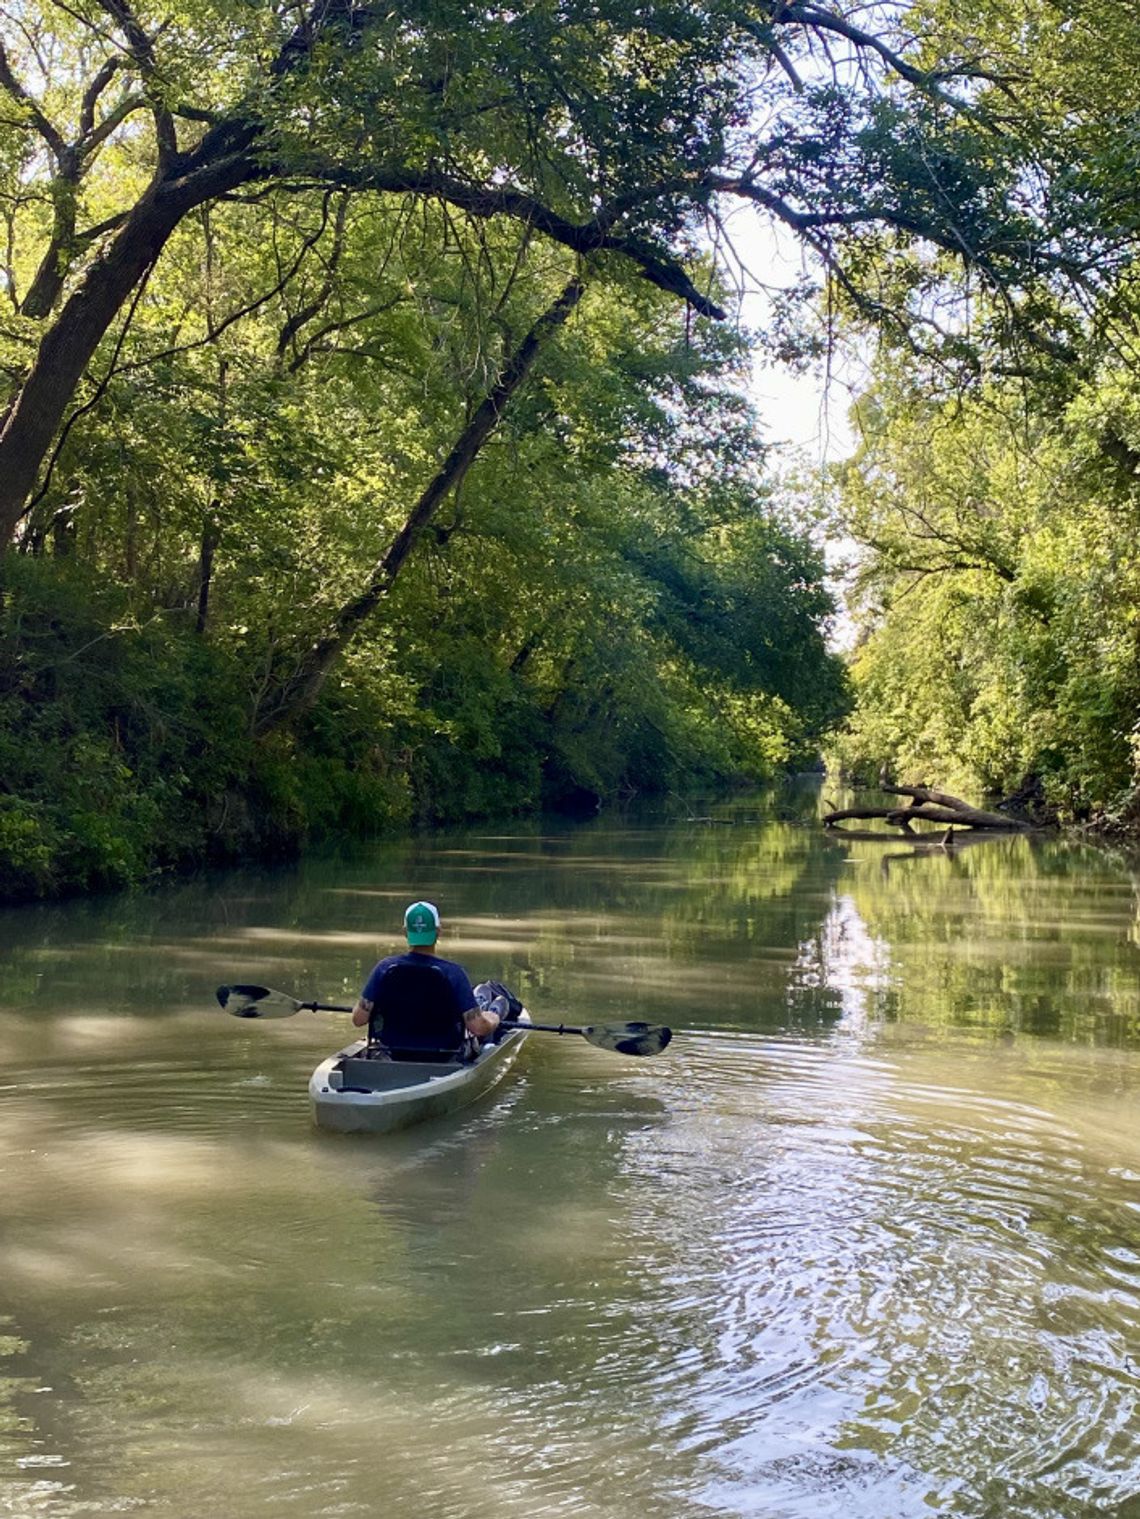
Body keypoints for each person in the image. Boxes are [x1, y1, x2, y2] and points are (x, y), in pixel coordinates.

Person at [351, 900, 501, 1053]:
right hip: (443, 1054)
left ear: (405, 932)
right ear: (438, 931)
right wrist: (493, 1019)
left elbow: (358, 1019)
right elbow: (478, 1028)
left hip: (394, 1051)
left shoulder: (384, 969)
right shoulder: (454, 973)